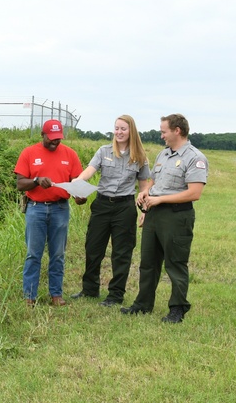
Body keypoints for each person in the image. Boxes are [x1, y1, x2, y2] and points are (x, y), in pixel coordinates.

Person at [121, 113, 209, 323]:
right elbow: (154, 180)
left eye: (164, 131)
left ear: (177, 131)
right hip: (154, 213)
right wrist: (146, 193)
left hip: (177, 216)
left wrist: (161, 200)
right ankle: (143, 304)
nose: (161, 136)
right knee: (148, 262)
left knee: (175, 263)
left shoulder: (195, 157)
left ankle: (177, 309)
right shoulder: (163, 155)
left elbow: (194, 193)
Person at [70, 115, 151, 307]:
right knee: (93, 248)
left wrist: (145, 210)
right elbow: (90, 170)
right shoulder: (103, 151)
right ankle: (89, 289)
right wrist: (78, 181)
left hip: (124, 207)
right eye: (116, 128)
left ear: (131, 130)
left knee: (121, 252)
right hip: (102, 205)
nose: (119, 132)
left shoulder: (140, 156)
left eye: (123, 129)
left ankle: (115, 295)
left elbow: (143, 187)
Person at [14, 119, 86, 307]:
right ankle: (29, 296)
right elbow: (20, 184)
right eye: (51, 138)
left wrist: (80, 196)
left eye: (58, 139)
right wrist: (36, 180)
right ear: (42, 135)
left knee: (58, 254)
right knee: (33, 254)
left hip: (60, 208)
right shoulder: (29, 153)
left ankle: (56, 294)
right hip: (36, 208)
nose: (55, 142)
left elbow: (77, 182)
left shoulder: (70, 154)